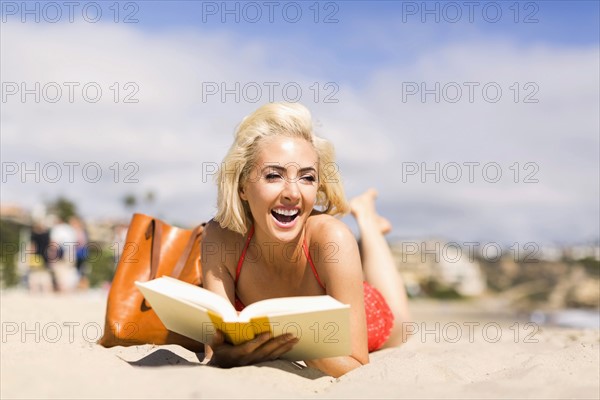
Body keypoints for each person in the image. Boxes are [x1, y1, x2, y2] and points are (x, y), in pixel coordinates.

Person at [201, 102, 411, 377]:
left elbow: (356, 365)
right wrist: (224, 356)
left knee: (402, 326)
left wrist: (284, 342)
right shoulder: (220, 237)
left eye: (307, 178)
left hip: (367, 315)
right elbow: (213, 352)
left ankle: (368, 220)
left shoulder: (332, 238)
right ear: (242, 186)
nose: (292, 193)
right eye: (273, 175)